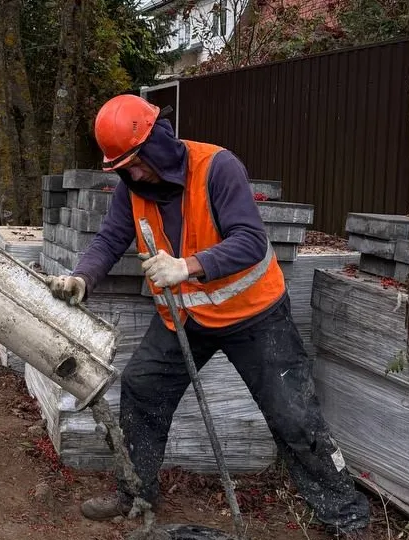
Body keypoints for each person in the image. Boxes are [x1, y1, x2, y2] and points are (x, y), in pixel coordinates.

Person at [45, 94, 371, 539]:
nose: (133, 174)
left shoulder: (218, 168)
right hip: (184, 318)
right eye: (123, 168)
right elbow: (109, 239)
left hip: (254, 314)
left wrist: (188, 266)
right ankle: (136, 493)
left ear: (158, 142)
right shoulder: (132, 189)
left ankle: (346, 517)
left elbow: (250, 240)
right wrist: (82, 278)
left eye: (136, 163)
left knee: (293, 413)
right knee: (141, 388)